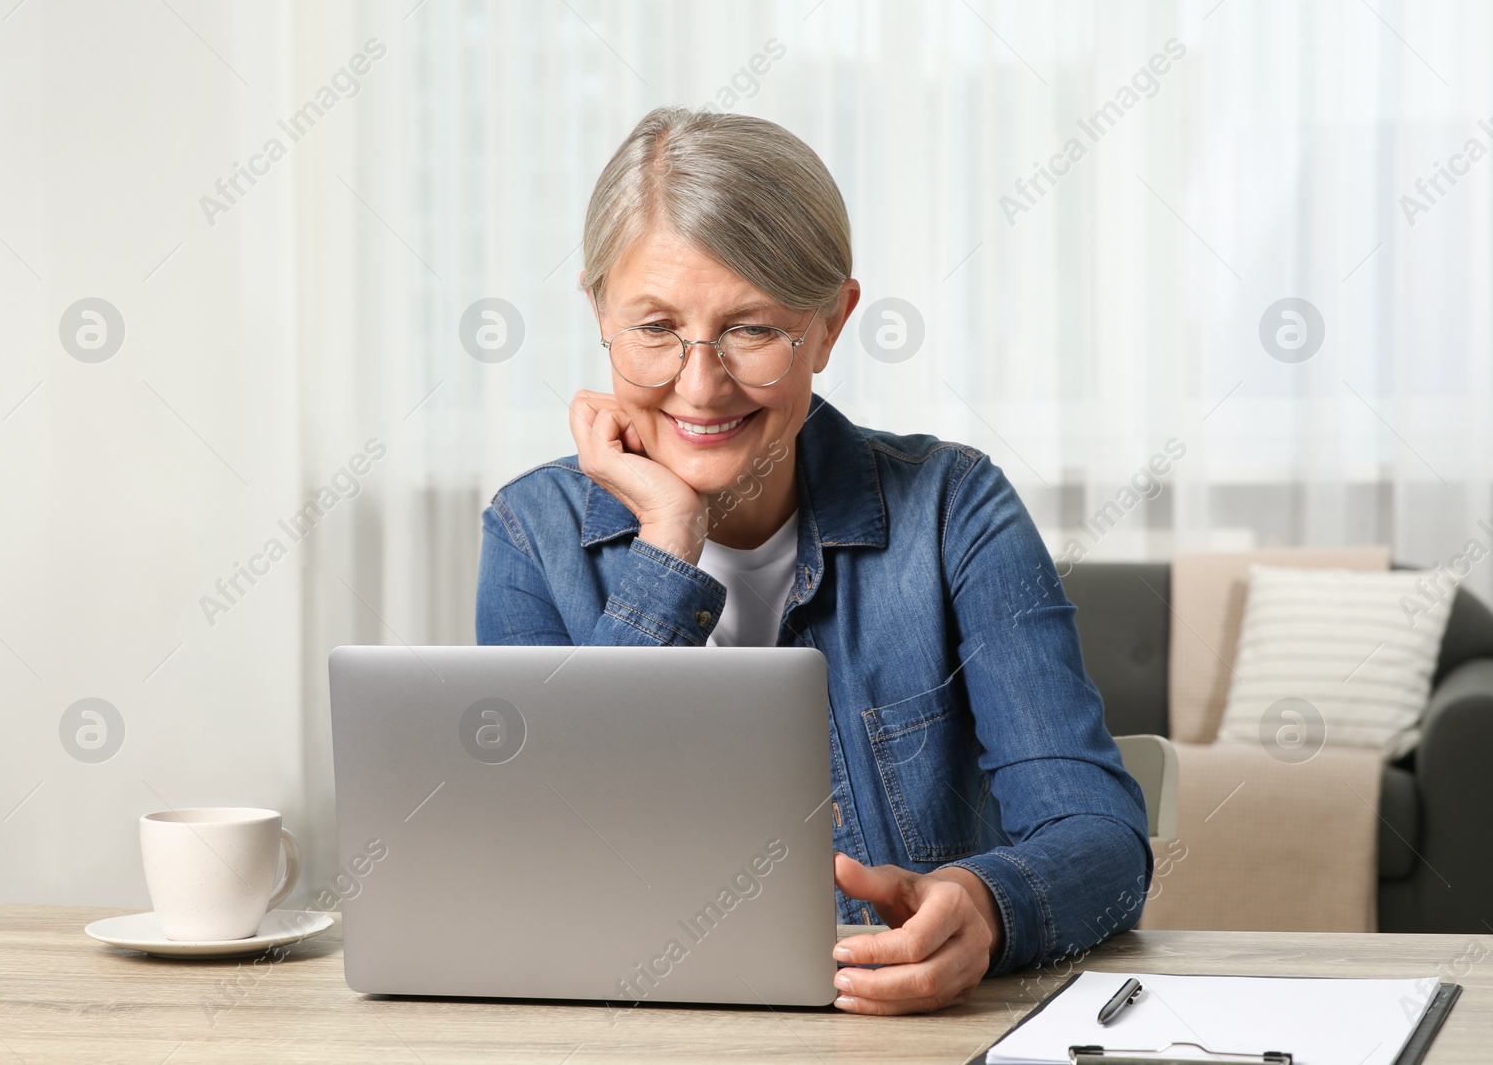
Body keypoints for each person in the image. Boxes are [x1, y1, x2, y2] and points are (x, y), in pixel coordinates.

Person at [475, 106, 1151, 1015]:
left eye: (752, 329)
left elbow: (1103, 840)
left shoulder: (955, 508)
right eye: (655, 326)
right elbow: (538, 870)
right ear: (599, 310)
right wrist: (667, 547)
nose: (700, 382)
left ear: (830, 325)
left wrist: (987, 908)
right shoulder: (529, 531)